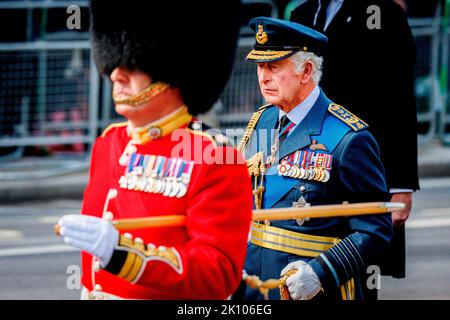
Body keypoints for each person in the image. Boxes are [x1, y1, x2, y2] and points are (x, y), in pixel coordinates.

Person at [57, 0, 253, 299]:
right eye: (114, 62)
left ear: (174, 71)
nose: (115, 75)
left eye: (133, 64)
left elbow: (217, 275)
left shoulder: (213, 156)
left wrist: (122, 254)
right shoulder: (109, 143)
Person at [239, 17, 392, 300]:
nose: (263, 76)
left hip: (310, 288)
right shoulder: (262, 119)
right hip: (255, 283)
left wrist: (322, 272)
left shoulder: (349, 137)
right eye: (260, 66)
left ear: (306, 71)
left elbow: (375, 229)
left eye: (274, 66)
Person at [289, 0, 420, 279]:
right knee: (304, 267)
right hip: (307, 163)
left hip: (362, 164)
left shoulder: (385, 14)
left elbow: (400, 102)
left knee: (359, 270)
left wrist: (401, 185)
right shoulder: (300, 13)